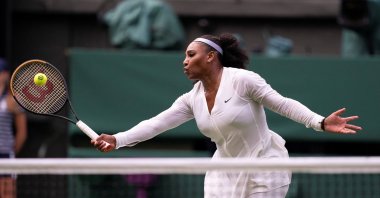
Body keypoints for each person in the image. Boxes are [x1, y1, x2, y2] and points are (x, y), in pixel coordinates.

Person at [92, 33, 362, 198]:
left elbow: (282, 104)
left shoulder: (243, 80)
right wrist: (118, 139)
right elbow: (156, 124)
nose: (184, 61)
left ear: (211, 57)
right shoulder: (192, 98)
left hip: (265, 168)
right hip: (223, 172)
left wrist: (319, 122)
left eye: (190, 54)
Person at [0, 58, 28, 198]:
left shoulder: (13, 99)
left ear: (6, 75)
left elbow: (22, 133)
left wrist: (11, 150)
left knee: (7, 194)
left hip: (5, 154)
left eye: (1, 72)